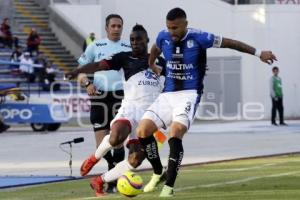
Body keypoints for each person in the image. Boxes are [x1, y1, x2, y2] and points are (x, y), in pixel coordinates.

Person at [136, 7, 278, 197]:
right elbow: (155, 47)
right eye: (169, 28)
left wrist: (259, 52)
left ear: (185, 24)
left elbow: (231, 43)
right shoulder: (164, 36)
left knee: (175, 132)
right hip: (167, 94)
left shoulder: (201, 38)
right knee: (143, 130)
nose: (172, 32)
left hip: (189, 94)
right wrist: (151, 63)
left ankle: (168, 187)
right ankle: (157, 172)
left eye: (175, 28)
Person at [66, 24, 166, 197]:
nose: (135, 42)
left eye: (139, 39)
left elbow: (178, 78)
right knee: (116, 136)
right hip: (130, 109)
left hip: (152, 116)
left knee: (135, 160)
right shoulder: (123, 58)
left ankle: (99, 181)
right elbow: (97, 65)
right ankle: (94, 158)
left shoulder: (162, 62)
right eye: (132, 39)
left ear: (147, 41)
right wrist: (78, 71)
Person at [76, 14, 131, 193]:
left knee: (118, 140)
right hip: (99, 97)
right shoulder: (95, 46)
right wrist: (87, 83)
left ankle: (112, 181)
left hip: (121, 96)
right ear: (107, 28)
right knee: (101, 145)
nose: (116, 29)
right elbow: (80, 72)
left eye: (119, 26)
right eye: (113, 26)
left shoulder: (128, 48)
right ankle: (114, 172)